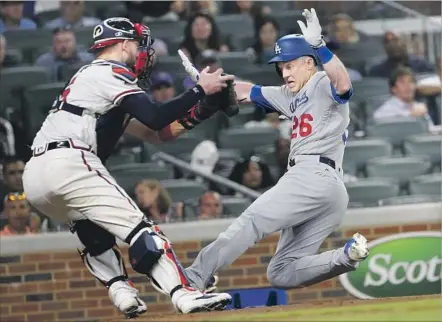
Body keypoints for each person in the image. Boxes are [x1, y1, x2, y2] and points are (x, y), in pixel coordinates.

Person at [22, 17, 235, 319]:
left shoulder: (93, 84)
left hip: (37, 178)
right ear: (123, 44)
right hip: (69, 162)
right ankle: (184, 294)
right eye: (136, 44)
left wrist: (204, 109)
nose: (141, 51)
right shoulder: (108, 70)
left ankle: (122, 293)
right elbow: (157, 116)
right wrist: (200, 89)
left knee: (92, 234)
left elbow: (158, 134)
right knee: (141, 231)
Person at [181, 9, 369, 293]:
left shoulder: (320, 81)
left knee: (253, 221)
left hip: (311, 174)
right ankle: (346, 256)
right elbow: (247, 91)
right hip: (330, 190)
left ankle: (196, 276)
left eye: (290, 65)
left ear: (308, 63)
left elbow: (344, 86)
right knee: (280, 273)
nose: (285, 72)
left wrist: (320, 47)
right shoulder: (289, 94)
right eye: (281, 66)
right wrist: (209, 85)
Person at [368, 31, 435, 78]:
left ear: (405, 42)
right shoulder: (376, 72)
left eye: (395, 40)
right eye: (387, 42)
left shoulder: (423, 66)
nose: (392, 45)